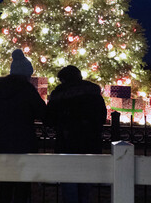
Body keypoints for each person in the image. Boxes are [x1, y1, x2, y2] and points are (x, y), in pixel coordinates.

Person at [0, 49, 46, 203]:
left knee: (6, 184)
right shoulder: (27, 90)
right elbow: (42, 112)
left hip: (5, 140)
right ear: (25, 74)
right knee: (23, 186)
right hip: (25, 141)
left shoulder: (1, 89)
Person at [45, 65, 107, 203]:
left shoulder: (60, 95)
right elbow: (102, 117)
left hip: (67, 144)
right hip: (90, 144)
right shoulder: (94, 95)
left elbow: (49, 119)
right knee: (85, 186)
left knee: (69, 185)